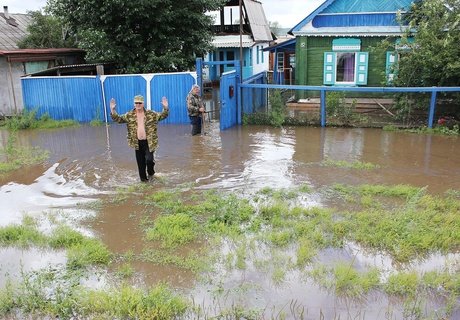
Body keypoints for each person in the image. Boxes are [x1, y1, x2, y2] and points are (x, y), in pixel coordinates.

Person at [110, 94, 169, 182]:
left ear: (143, 103)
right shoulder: (129, 115)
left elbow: (162, 116)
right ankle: (144, 183)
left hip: (149, 142)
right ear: (134, 104)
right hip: (137, 143)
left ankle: (151, 173)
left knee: (149, 160)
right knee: (140, 164)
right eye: (136, 103)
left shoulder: (151, 114)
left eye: (139, 103)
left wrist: (165, 107)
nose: (138, 105)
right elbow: (118, 119)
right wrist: (113, 110)